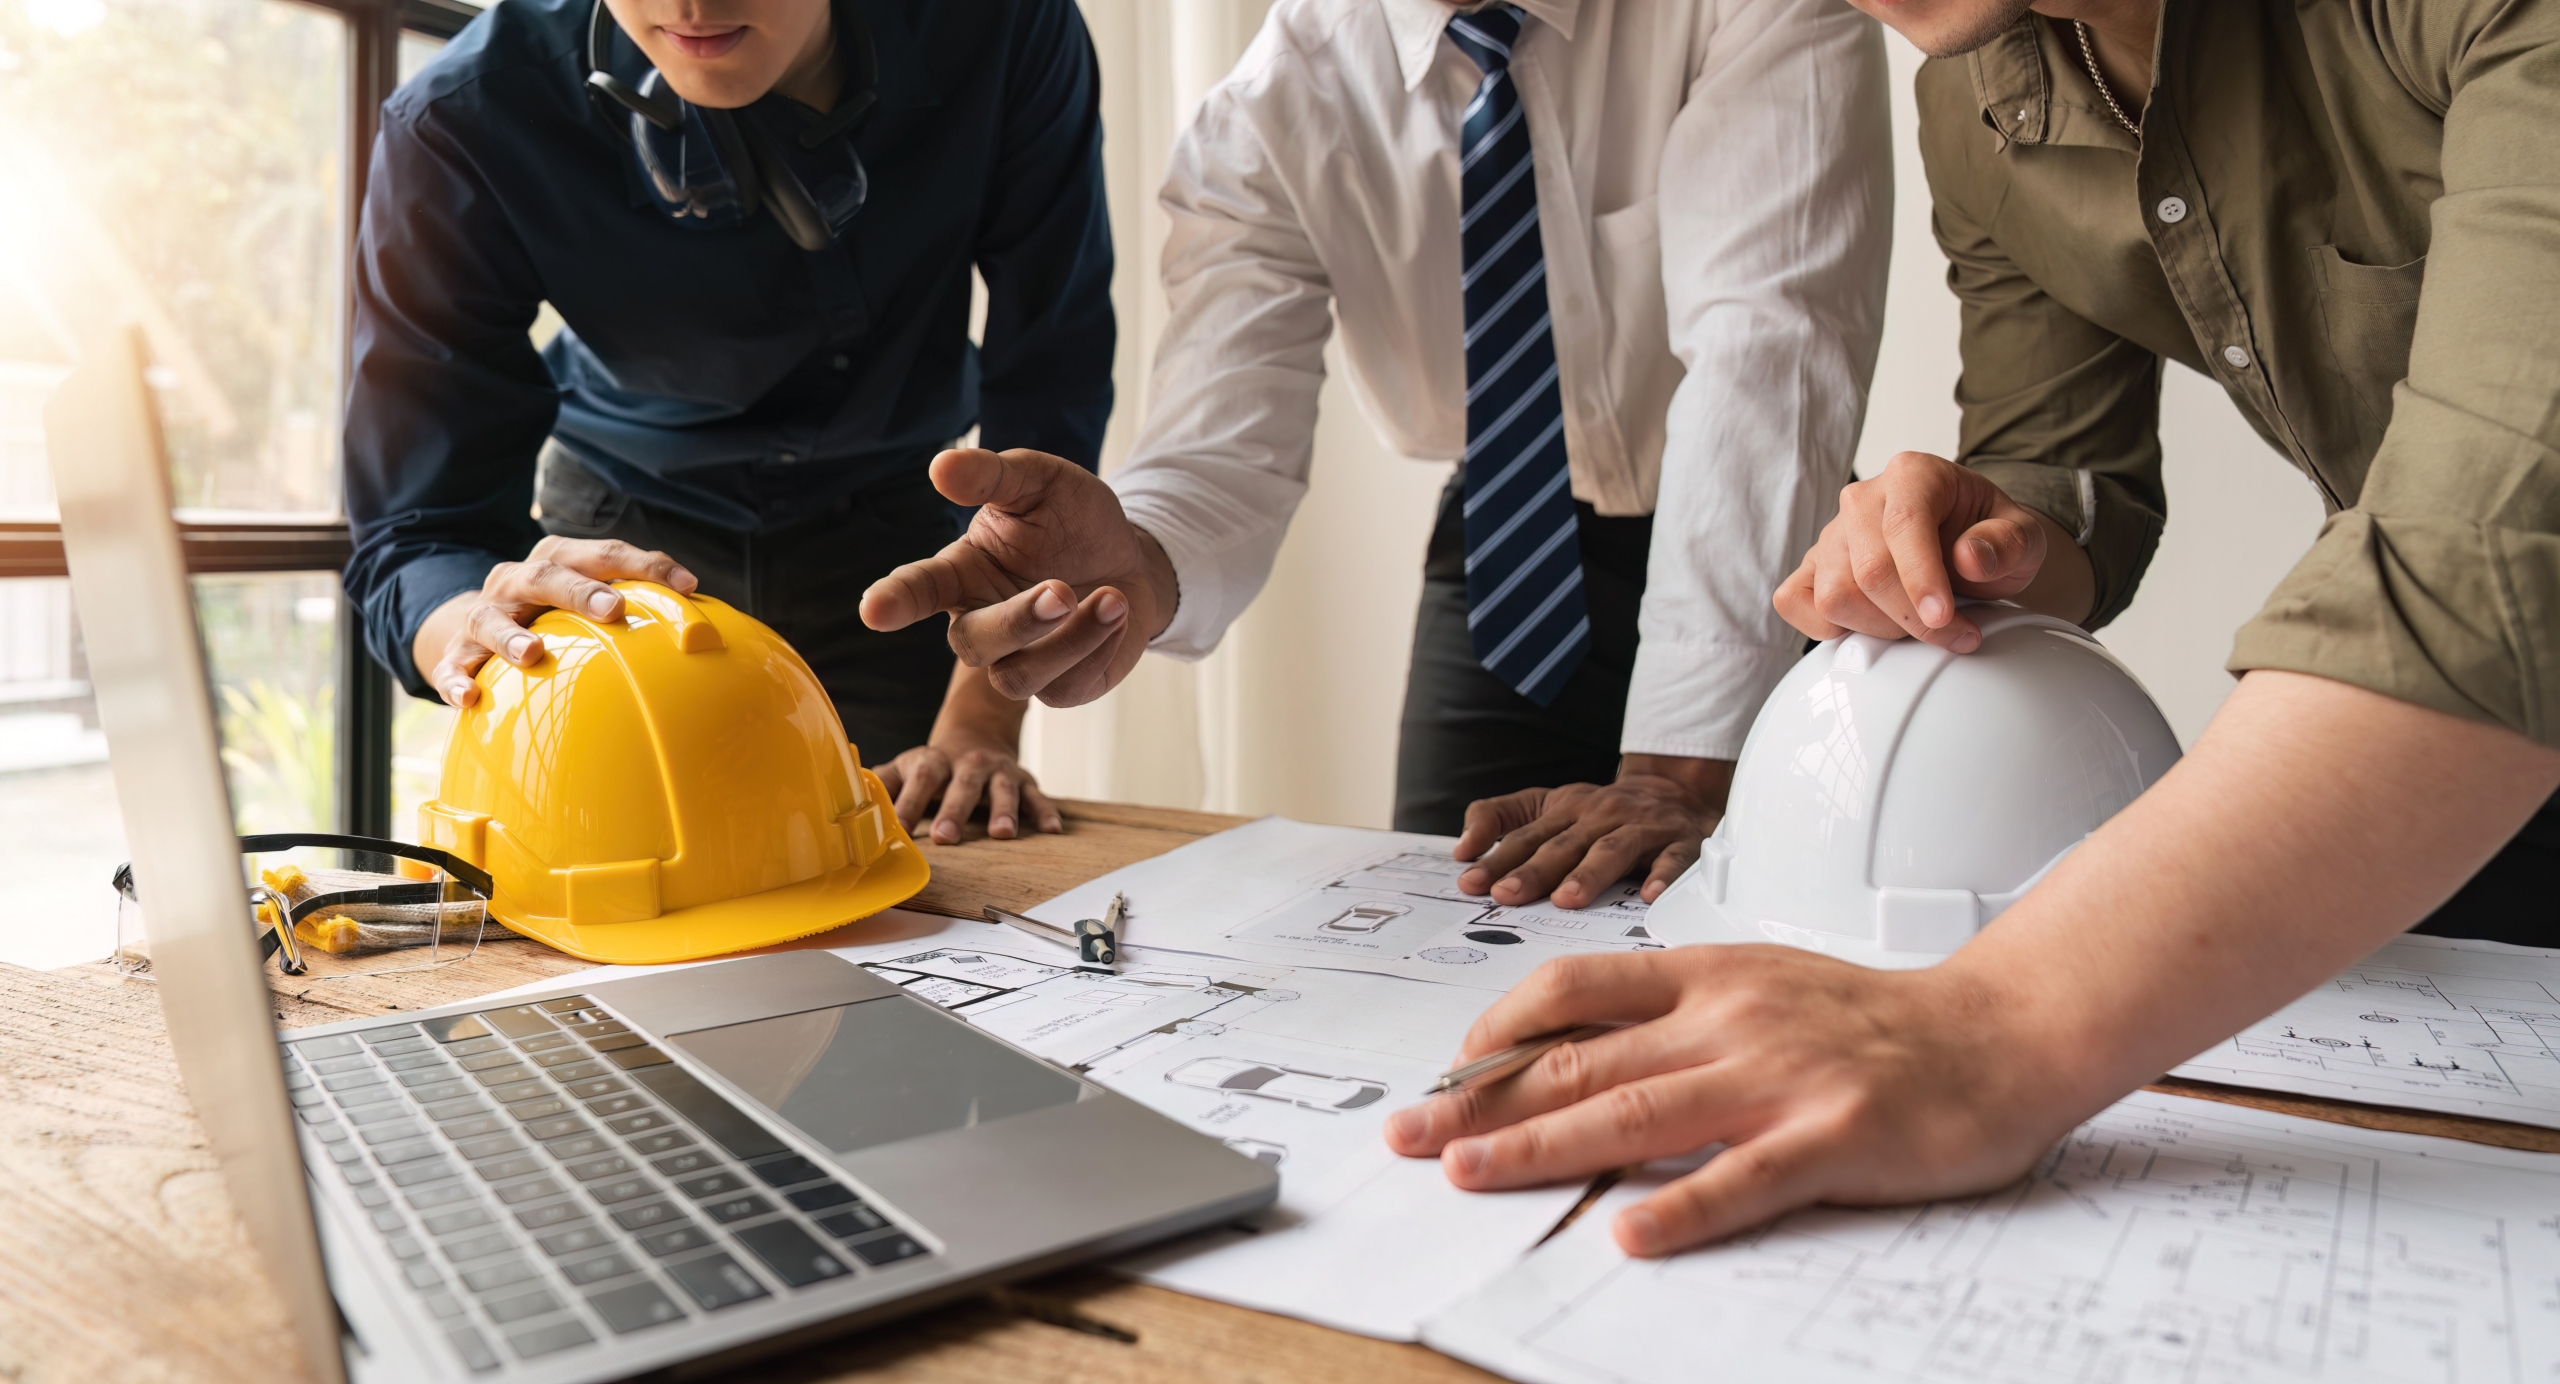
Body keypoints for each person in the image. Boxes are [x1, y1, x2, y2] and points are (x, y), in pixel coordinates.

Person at [1376, 0, 2560, 1260]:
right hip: (2467, 753)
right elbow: (2069, 473)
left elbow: (2484, 553)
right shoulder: (1977, 92)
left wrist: (1988, 1025)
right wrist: (1989, 537)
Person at [856, 0, 1892, 906]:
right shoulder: (1275, 100)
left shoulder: (1746, 9)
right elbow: (1223, 442)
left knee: (1790, 921)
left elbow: (1768, 361)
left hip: (1771, 543)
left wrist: (1676, 772)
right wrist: (1140, 561)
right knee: (1448, 930)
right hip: (1514, 550)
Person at [341, 0, 1112, 843]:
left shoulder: (1011, 26)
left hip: (900, 558)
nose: (693, 7)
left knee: (919, 886)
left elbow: (1051, 377)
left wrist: (978, 720)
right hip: (619, 566)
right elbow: (417, 534)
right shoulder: (458, 117)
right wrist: (473, 623)